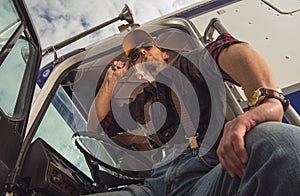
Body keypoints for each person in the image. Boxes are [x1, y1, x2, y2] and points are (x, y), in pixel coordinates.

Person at [87, 28, 300, 195]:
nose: (141, 52)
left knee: (278, 142)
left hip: (205, 178)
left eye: (147, 46)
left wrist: (268, 101)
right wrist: (111, 80)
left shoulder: (192, 64)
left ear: (164, 54)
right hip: (154, 186)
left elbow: (234, 51)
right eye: (134, 56)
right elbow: (97, 124)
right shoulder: (142, 104)